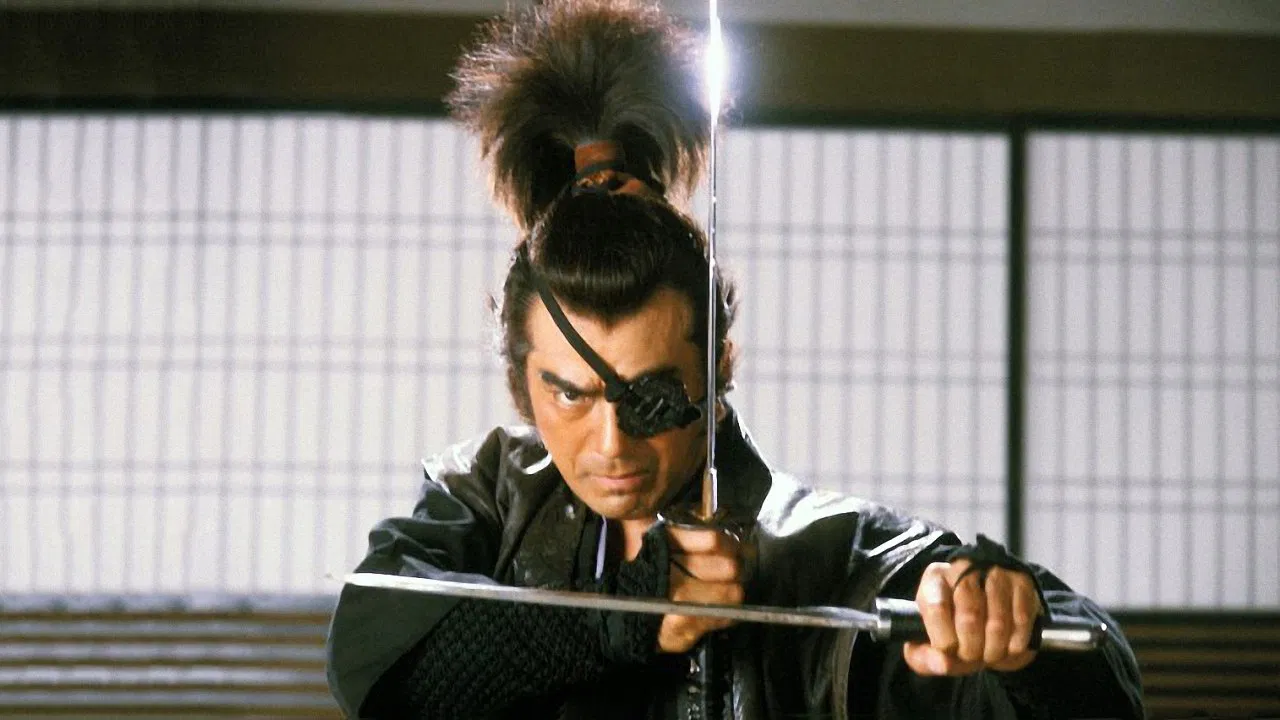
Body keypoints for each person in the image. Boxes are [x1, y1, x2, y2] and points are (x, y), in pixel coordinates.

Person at [324, 1, 1144, 717]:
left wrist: (1005, 622)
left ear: (716, 371)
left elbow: (1099, 681)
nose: (611, 445)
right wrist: (623, 616)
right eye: (569, 395)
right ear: (519, 380)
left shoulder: (828, 553)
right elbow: (374, 670)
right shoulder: (482, 501)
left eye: (650, 397)